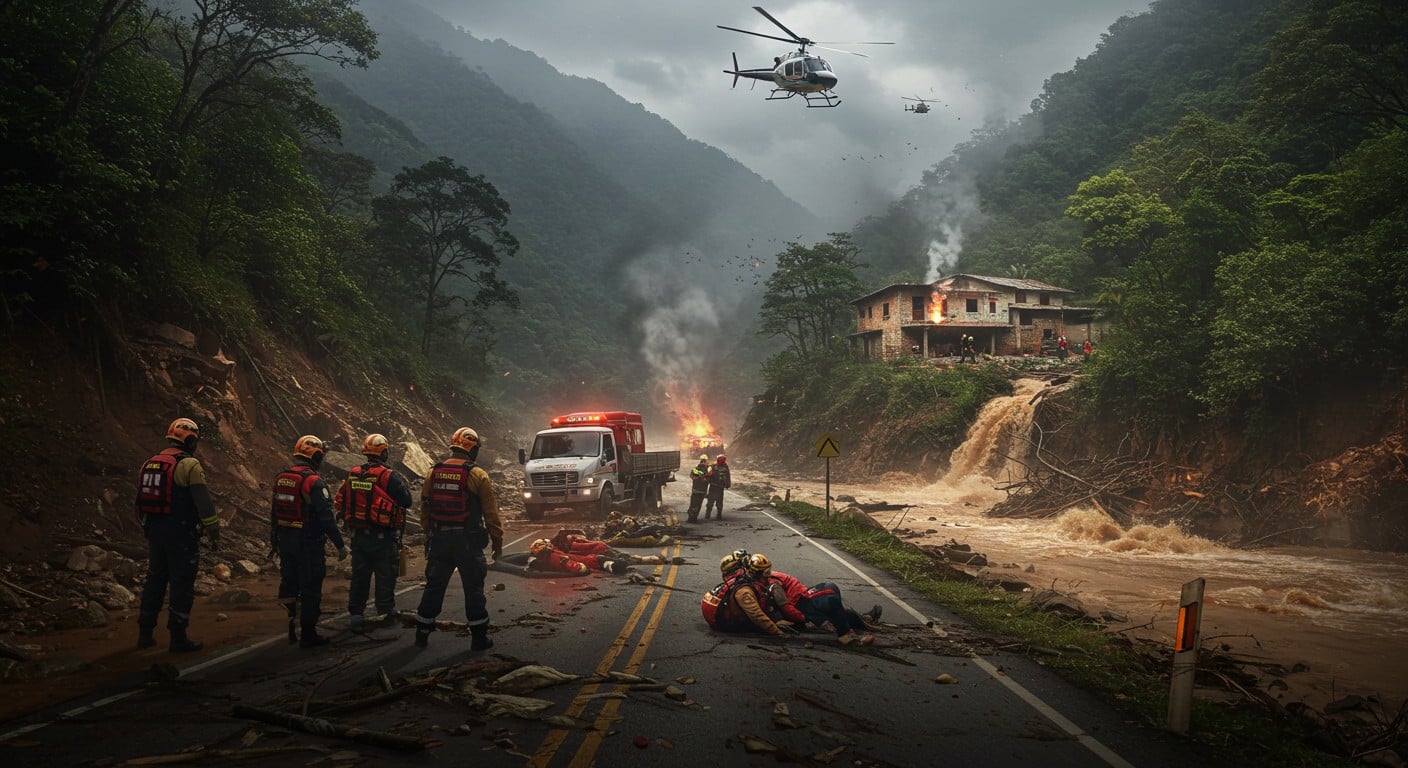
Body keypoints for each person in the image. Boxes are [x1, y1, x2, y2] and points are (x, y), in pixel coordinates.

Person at [135, 418, 221, 653]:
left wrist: (147, 528)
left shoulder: (148, 463)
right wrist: (214, 531)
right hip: (180, 533)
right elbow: (204, 505)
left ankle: (145, 633)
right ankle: (178, 637)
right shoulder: (189, 465)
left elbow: (140, 502)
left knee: (155, 579)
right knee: (181, 583)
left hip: (155, 530)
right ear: (190, 440)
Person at [414, 427, 503, 650]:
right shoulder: (477, 474)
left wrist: (429, 533)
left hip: (440, 539)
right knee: (473, 589)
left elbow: (425, 507)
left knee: (434, 586)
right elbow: (490, 514)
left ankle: (422, 632)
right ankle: (479, 638)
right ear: (472, 449)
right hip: (467, 541)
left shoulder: (433, 472)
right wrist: (497, 542)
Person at [272, 435, 346, 648]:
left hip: (285, 539)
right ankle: (308, 633)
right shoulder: (313, 482)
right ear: (316, 456)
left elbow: (274, 513)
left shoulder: (281, 478)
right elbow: (326, 518)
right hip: (308, 542)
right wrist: (340, 545)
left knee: (289, 582)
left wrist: (274, 540)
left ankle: (289, 626)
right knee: (311, 586)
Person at [335, 433, 414, 631]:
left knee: (360, 576)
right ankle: (385, 612)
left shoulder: (353, 473)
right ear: (384, 452)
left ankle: (356, 614)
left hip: (358, 535)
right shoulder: (388, 476)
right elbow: (406, 501)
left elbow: (343, 498)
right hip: (383, 537)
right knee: (385, 575)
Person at [765, 569, 880, 645]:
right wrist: (802, 618)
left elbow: (785, 606)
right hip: (801, 603)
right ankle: (850, 631)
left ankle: (858, 624)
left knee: (830, 596)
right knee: (830, 601)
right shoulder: (771, 583)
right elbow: (784, 607)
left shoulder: (772, 582)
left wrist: (803, 617)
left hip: (802, 599)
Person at [701, 552, 792, 636]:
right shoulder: (744, 591)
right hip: (725, 623)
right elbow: (757, 615)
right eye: (766, 572)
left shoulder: (743, 580)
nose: (768, 575)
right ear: (757, 573)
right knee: (759, 626)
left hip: (723, 612)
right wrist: (777, 632)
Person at [703, 454, 731, 520]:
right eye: (720, 459)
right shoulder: (713, 466)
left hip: (719, 487)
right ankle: (708, 515)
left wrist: (728, 484)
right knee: (710, 501)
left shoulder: (725, 467)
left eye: (722, 460)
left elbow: (728, 476)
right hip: (713, 486)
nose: (721, 461)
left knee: (718, 502)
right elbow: (708, 474)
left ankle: (718, 515)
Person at [686, 454, 709, 523]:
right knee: (698, 505)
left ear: (700, 461)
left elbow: (691, 476)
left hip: (695, 490)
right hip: (702, 491)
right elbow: (710, 478)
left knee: (693, 504)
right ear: (706, 461)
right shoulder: (708, 469)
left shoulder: (695, 469)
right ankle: (694, 518)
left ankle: (690, 518)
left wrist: (697, 479)